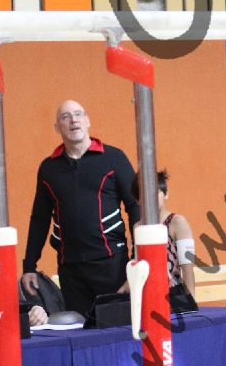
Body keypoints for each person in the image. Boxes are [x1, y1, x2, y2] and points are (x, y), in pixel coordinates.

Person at [20, 100, 140, 317]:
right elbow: (39, 218)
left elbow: (135, 207)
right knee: (79, 331)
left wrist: (137, 259)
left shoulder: (114, 158)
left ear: (87, 121)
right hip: (71, 271)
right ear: (57, 127)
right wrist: (29, 266)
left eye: (78, 114)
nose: (73, 120)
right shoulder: (48, 168)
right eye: (65, 117)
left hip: (112, 265)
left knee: (117, 329)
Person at [157, 169, 195, 296]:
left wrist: (191, 301)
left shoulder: (177, 222)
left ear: (166, 194)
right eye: (144, 195)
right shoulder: (138, 227)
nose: (150, 198)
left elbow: (188, 268)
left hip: (173, 296)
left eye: (156, 192)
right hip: (148, 297)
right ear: (138, 200)